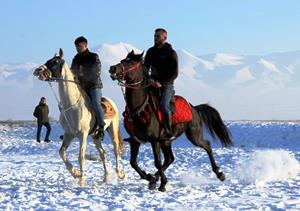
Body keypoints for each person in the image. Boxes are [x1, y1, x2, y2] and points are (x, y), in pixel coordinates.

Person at [144, 28, 179, 138]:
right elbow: (145, 68)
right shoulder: (150, 51)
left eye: (158, 36)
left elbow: (175, 73)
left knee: (164, 104)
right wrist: (148, 79)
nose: (155, 38)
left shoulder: (171, 53)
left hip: (166, 84)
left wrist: (161, 83)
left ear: (164, 38)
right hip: (152, 82)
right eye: (154, 36)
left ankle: (168, 132)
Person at [71, 36, 105, 140]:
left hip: (94, 85)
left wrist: (81, 76)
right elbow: (72, 71)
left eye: (79, 46)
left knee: (95, 102)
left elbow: (96, 72)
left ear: (85, 45)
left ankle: (101, 127)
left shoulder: (93, 57)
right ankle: (71, 128)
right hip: (81, 86)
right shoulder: (76, 58)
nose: (77, 48)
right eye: (76, 46)